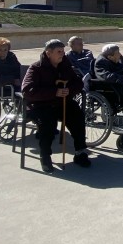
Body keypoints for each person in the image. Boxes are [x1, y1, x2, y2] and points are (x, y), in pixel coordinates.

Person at [22, 39, 91, 174]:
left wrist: (69, 90)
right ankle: (45, 156)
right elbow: (28, 91)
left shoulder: (65, 65)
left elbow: (78, 83)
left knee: (77, 116)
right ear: (49, 53)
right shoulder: (36, 68)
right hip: (41, 105)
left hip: (62, 102)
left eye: (63, 51)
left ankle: (80, 151)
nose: (62, 54)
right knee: (48, 123)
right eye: (59, 52)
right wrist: (54, 92)